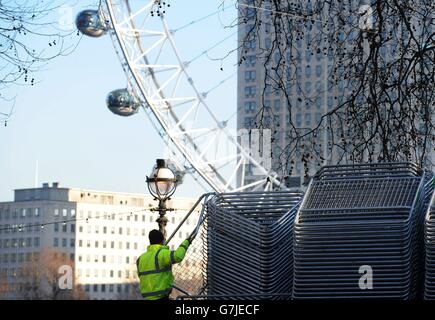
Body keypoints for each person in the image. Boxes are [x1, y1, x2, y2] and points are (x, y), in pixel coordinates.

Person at [136, 229, 194, 300]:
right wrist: (186, 242)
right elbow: (178, 256)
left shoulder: (140, 258)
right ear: (162, 240)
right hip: (161, 297)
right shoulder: (161, 253)